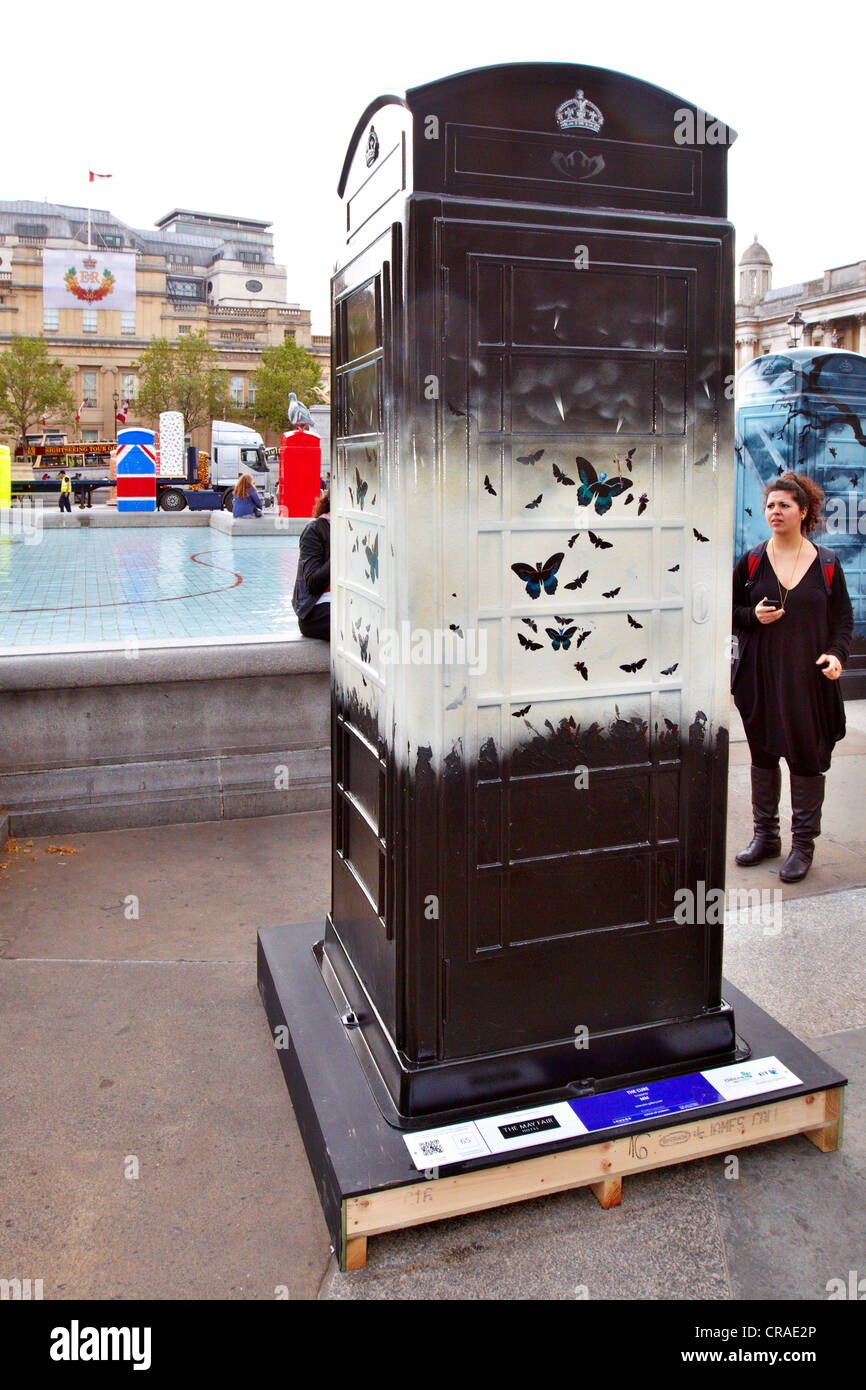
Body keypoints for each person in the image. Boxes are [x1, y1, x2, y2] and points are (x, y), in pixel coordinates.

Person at [731, 471, 853, 883]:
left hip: (808, 680)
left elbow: (842, 621)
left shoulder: (828, 564)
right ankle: (766, 836)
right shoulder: (750, 561)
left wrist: (836, 655)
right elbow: (728, 613)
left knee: (805, 758)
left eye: (784, 505)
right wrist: (752, 615)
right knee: (763, 756)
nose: (775, 511)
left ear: (804, 511)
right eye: (769, 505)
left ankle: (803, 845)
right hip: (760, 678)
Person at [292, 488, 330, 640]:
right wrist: (341, 553)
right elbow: (313, 582)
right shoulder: (315, 529)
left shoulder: (363, 530)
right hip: (315, 610)